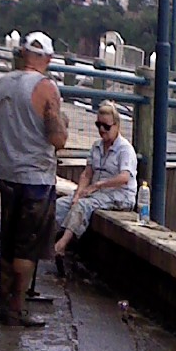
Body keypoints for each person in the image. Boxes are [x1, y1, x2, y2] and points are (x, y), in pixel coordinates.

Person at [0, 30, 68, 327]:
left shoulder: (2, 84)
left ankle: (2, 301)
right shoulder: (46, 88)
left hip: (7, 172)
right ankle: (17, 307)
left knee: (8, 242)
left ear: (23, 53)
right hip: (36, 177)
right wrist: (63, 123)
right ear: (48, 58)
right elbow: (57, 138)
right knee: (27, 246)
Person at [53, 100, 138, 264]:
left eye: (106, 126)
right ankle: (46, 238)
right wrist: (78, 193)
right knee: (62, 204)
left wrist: (97, 185)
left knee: (83, 206)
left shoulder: (125, 149)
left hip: (119, 194)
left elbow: (124, 178)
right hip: (97, 191)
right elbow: (87, 173)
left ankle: (62, 245)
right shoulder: (96, 146)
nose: (101, 130)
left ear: (117, 125)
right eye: (98, 125)